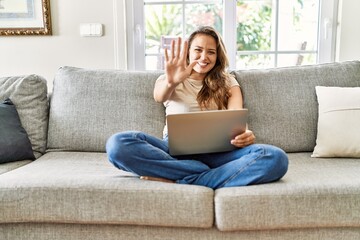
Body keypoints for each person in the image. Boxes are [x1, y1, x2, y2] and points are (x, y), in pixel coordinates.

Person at [106, 26, 288, 189]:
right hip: (173, 151)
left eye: (211, 52)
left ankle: (181, 179)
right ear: (188, 52)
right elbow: (159, 96)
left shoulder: (228, 81)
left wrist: (245, 134)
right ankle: (203, 173)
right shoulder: (168, 79)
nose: (204, 57)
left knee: (274, 157)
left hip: (220, 152)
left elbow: (236, 117)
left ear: (217, 56)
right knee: (117, 144)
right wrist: (172, 81)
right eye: (198, 50)